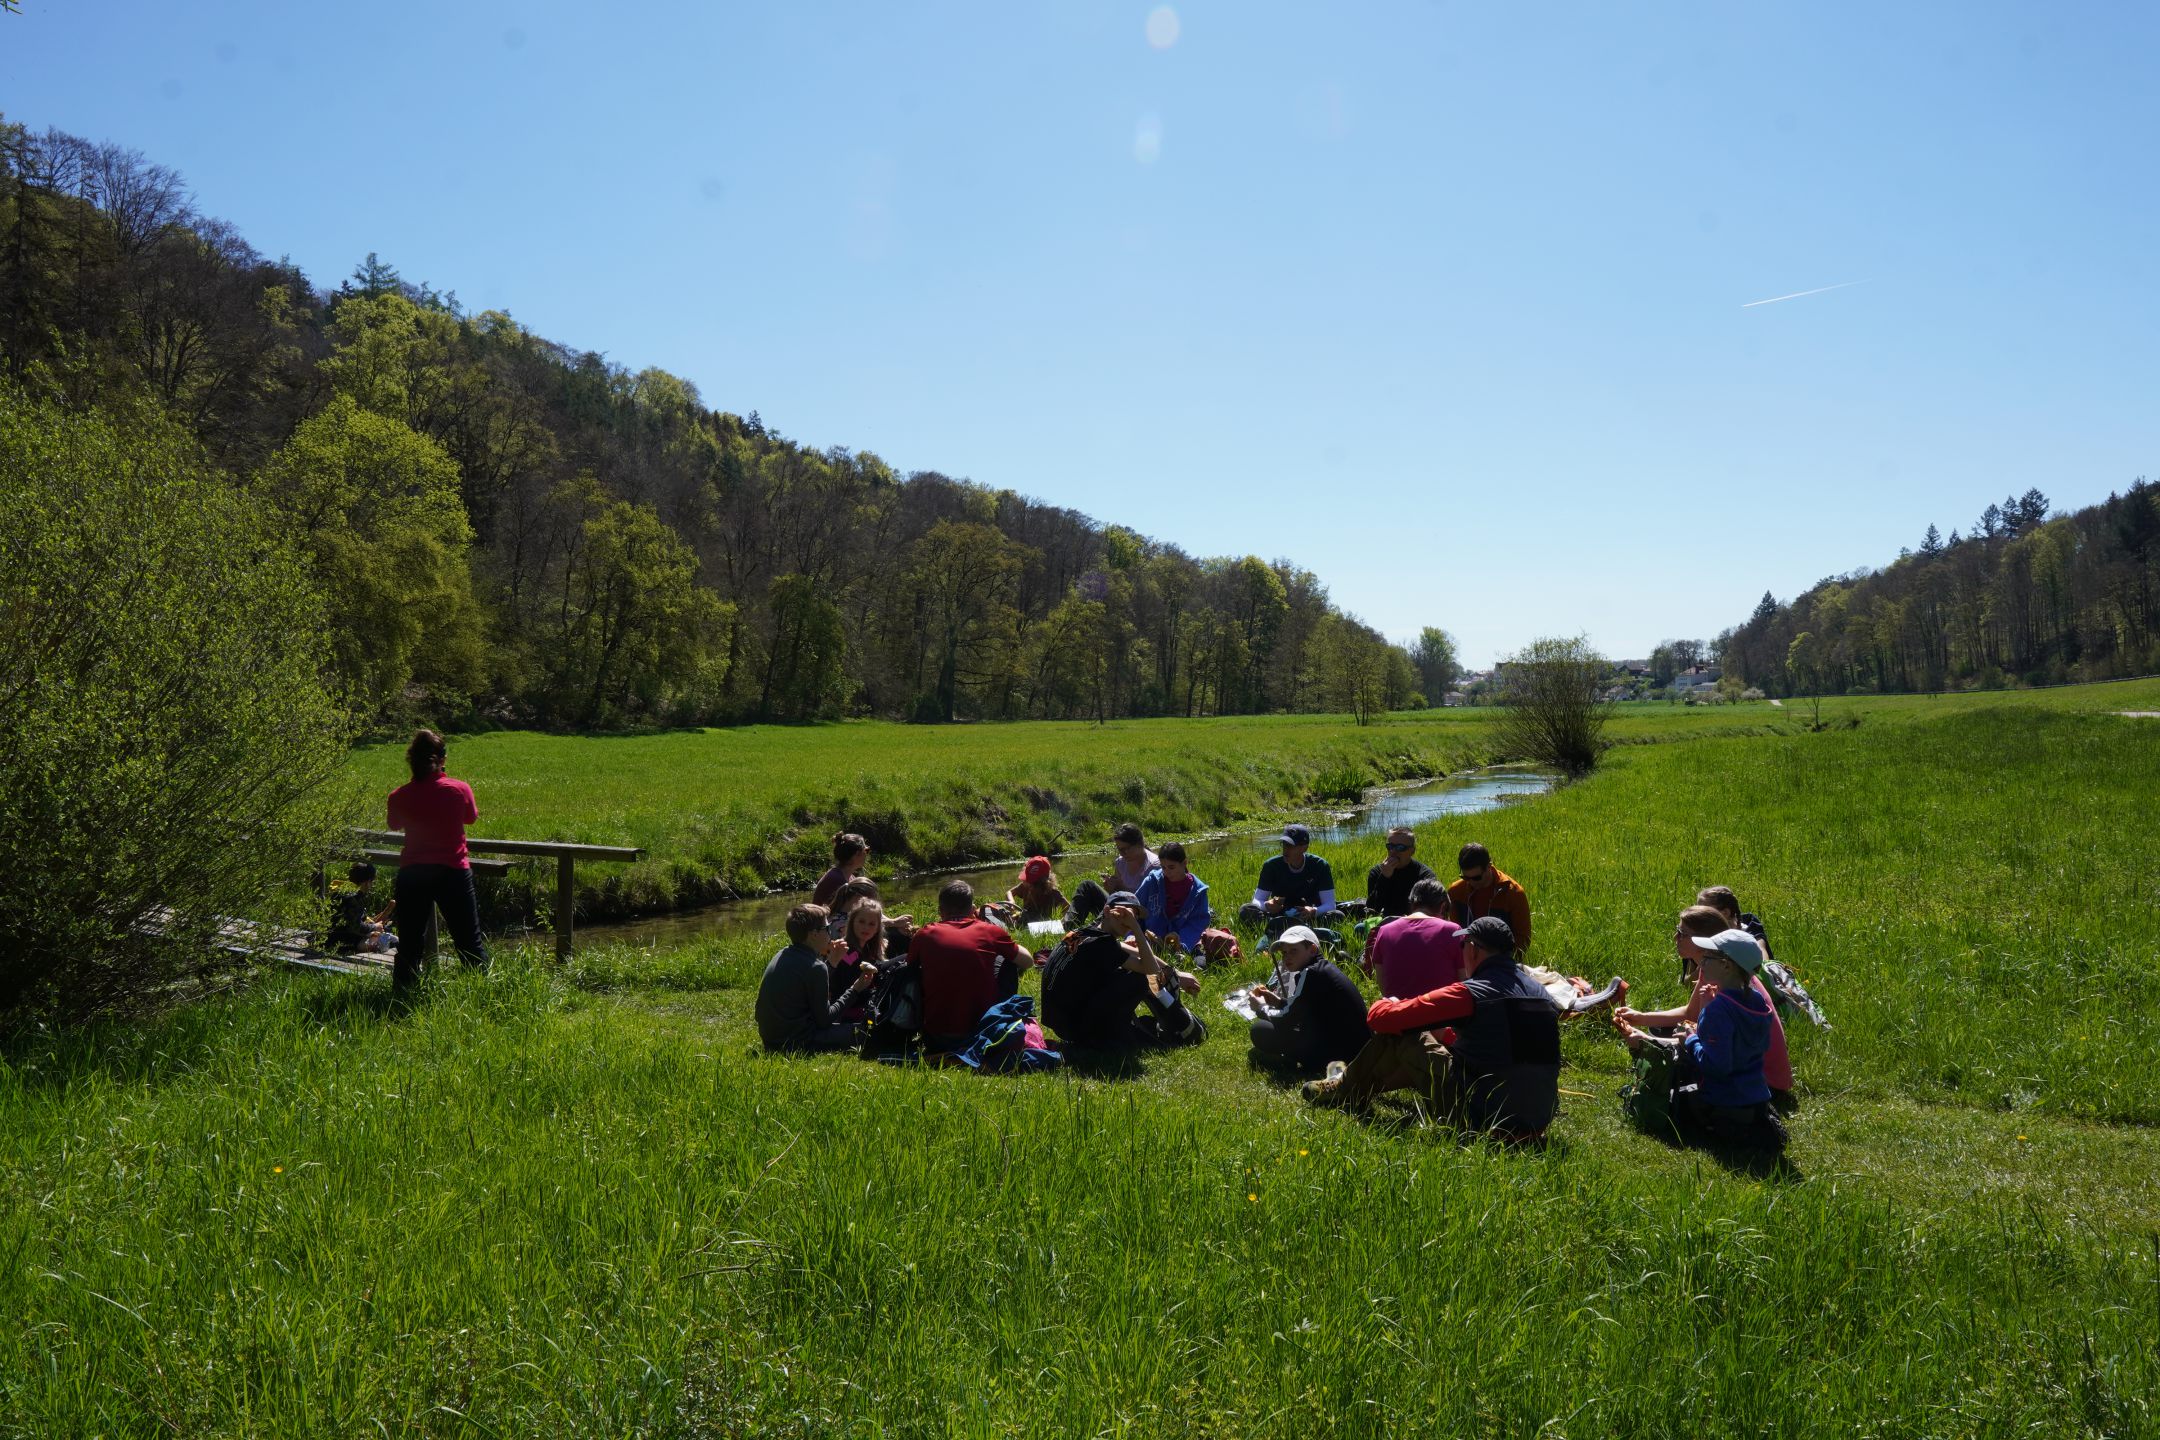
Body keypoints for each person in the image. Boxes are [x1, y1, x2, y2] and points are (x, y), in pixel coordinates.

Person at [1303, 916, 1561, 1140]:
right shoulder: (1540, 993)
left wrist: (1387, 1002)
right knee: (1434, 1043)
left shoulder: (1469, 994)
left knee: (1406, 1034)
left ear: (1472, 949)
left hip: (1481, 1120)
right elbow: (1501, 1043)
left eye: (1462, 945)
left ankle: (1343, 1090)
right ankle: (1351, 1086)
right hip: (1537, 1119)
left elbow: (1381, 1020)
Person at [1615, 928, 1784, 1149]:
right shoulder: (1756, 1001)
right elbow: (1743, 1045)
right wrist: (1706, 1007)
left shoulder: (1720, 1010)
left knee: (1668, 1097)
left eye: (1708, 957)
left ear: (1726, 966)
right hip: (1754, 1097)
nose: (1701, 961)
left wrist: (1691, 1040)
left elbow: (1716, 1065)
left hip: (1725, 1102)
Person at [386, 728, 488, 991]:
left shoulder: (399, 795)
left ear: (411, 760)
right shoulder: (458, 789)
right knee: (468, 940)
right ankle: (482, 994)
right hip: (452, 871)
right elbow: (470, 818)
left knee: (409, 942)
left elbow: (394, 824)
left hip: (412, 874)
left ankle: (403, 994)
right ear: (442, 760)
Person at [1041, 890, 1205, 1052]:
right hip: (1076, 1029)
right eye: (1123, 913)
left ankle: (1154, 1021)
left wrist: (1173, 972)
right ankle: (1174, 1024)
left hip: (1061, 1024)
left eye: (1133, 915)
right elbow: (1152, 971)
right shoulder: (1101, 944)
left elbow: (1126, 949)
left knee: (1126, 973)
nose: (1127, 919)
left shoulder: (1082, 932)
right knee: (1140, 978)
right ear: (1106, 910)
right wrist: (1136, 929)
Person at [909, 880, 1031, 1050]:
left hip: (935, 1036)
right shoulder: (989, 931)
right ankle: (999, 1015)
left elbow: (909, 967)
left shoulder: (924, 934)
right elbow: (1028, 961)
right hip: (984, 1031)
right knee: (1006, 961)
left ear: (940, 911)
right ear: (973, 909)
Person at [1246, 925, 1370, 1076]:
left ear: (1312, 950)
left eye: (1293, 951)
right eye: (1284, 952)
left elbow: (1288, 1018)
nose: (1287, 957)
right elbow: (1304, 1009)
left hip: (1339, 1055)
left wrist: (1261, 1008)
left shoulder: (1310, 973)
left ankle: (1298, 1064)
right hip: (1356, 1051)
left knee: (1260, 1030)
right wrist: (1278, 1002)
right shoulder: (1322, 969)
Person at [756, 903, 875, 1053]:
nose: (830, 933)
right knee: (867, 1032)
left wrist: (832, 963)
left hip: (771, 1038)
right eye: (827, 928)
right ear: (814, 934)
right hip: (797, 1042)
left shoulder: (782, 953)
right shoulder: (816, 967)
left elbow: (810, 980)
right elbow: (825, 1020)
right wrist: (855, 989)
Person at [1363, 878, 1464, 999]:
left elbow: (1384, 987)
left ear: (1412, 903)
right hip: (1443, 1013)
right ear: (1443, 907)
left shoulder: (1384, 932)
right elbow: (1465, 982)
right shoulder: (1453, 931)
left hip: (1398, 1014)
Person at [1238, 824, 1341, 932]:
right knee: (1246, 910)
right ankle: (1286, 926)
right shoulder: (1271, 866)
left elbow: (1330, 904)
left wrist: (1313, 911)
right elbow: (1256, 900)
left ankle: (1279, 929)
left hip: (1309, 915)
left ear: (1304, 847)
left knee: (1337, 915)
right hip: (1279, 914)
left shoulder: (1320, 865)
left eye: (1291, 846)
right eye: (1284, 844)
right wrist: (1267, 905)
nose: (1285, 849)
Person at [1447, 843, 1532, 954]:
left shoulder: (1513, 893)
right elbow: (1456, 932)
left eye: (1476, 878)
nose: (1470, 882)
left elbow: (1523, 939)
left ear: (1489, 867)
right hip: (1468, 958)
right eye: (1465, 877)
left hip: (1501, 960)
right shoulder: (1455, 891)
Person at [1134, 841, 1211, 954]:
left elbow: (1198, 922)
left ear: (1184, 863)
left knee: (1200, 963)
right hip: (1149, 940)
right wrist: (1132, 936)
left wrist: (1182, 944)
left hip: (1185, 944)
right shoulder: (1152, 882)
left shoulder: (1198, 891)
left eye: (1171, 867)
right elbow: (1134, 908)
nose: (1167, 872)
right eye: (1163, 867)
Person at [831, 897, 888, 1022]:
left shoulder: (868, 948)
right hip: (848, 1009)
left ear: (878, 928)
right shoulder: (846, 950)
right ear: (852, 922)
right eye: (861, 922)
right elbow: (847, 985)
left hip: (862, 1001)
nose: (866, 927)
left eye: (872, 924)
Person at [1364, 828, 1437, 920]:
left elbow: (1429, 911)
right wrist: (1385, 877)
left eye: (1400, 847)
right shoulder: (1378, 872)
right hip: (1385, 922)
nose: (1393, 851)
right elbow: (1372, 910)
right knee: (1360, 928)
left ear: (1412, 851)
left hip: (1413, 923)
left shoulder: (1424, 875)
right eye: (1390, 846)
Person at [327, 860, 396, 955]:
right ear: (367, 882)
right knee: (383, 942)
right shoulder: (353, 898)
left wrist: (372, 926)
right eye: (372, 882)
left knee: (377, 935)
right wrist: (374, 926)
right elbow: (356, 927)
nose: (371, 885)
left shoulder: (340, 890)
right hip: (340, 941)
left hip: (330, 936)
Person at [812, 833, 871, 908]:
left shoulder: (848, 876)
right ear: (857, 854)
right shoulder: (837, 879)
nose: (867, 854)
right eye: (866, 850)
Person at [1006, 856, 1069, 922]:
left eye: (1033, 883)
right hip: (1025, 919)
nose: (1028, 885)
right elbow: (1009, 892)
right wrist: (1011, 902)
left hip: (1042, 924)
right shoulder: (1025, 886)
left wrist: (1062, 922)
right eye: (1028, 880)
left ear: (1044, 883)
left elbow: (1069, 909)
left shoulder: (1053, 893)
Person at [1103, 823, 1159, 894]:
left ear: (1139, 843)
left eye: (1127, 849)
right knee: (1088, 885)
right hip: (1122, 902)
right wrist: (1111, 889)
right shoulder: (1120, 862)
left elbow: (1149, 899)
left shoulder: (1154, 865)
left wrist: (1121, 888)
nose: (1123, 853)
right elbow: (1117, 895)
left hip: (1139, 904)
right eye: (1120, 850)